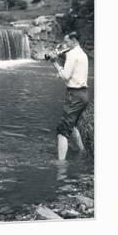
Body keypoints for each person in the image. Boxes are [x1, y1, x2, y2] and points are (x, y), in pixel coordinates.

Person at [50, 31, 89, 160]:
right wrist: (62, 71)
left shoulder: (72, 54)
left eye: (66, 41)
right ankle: (82, 152)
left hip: (75, 95)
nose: (65, 44)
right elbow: (74, 74)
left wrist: (55, 64)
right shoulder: (82, 54)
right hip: (84, 95)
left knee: (62, 131)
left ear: (73, 41)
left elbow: (66, 76)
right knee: (72, 126)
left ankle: (61, 165)